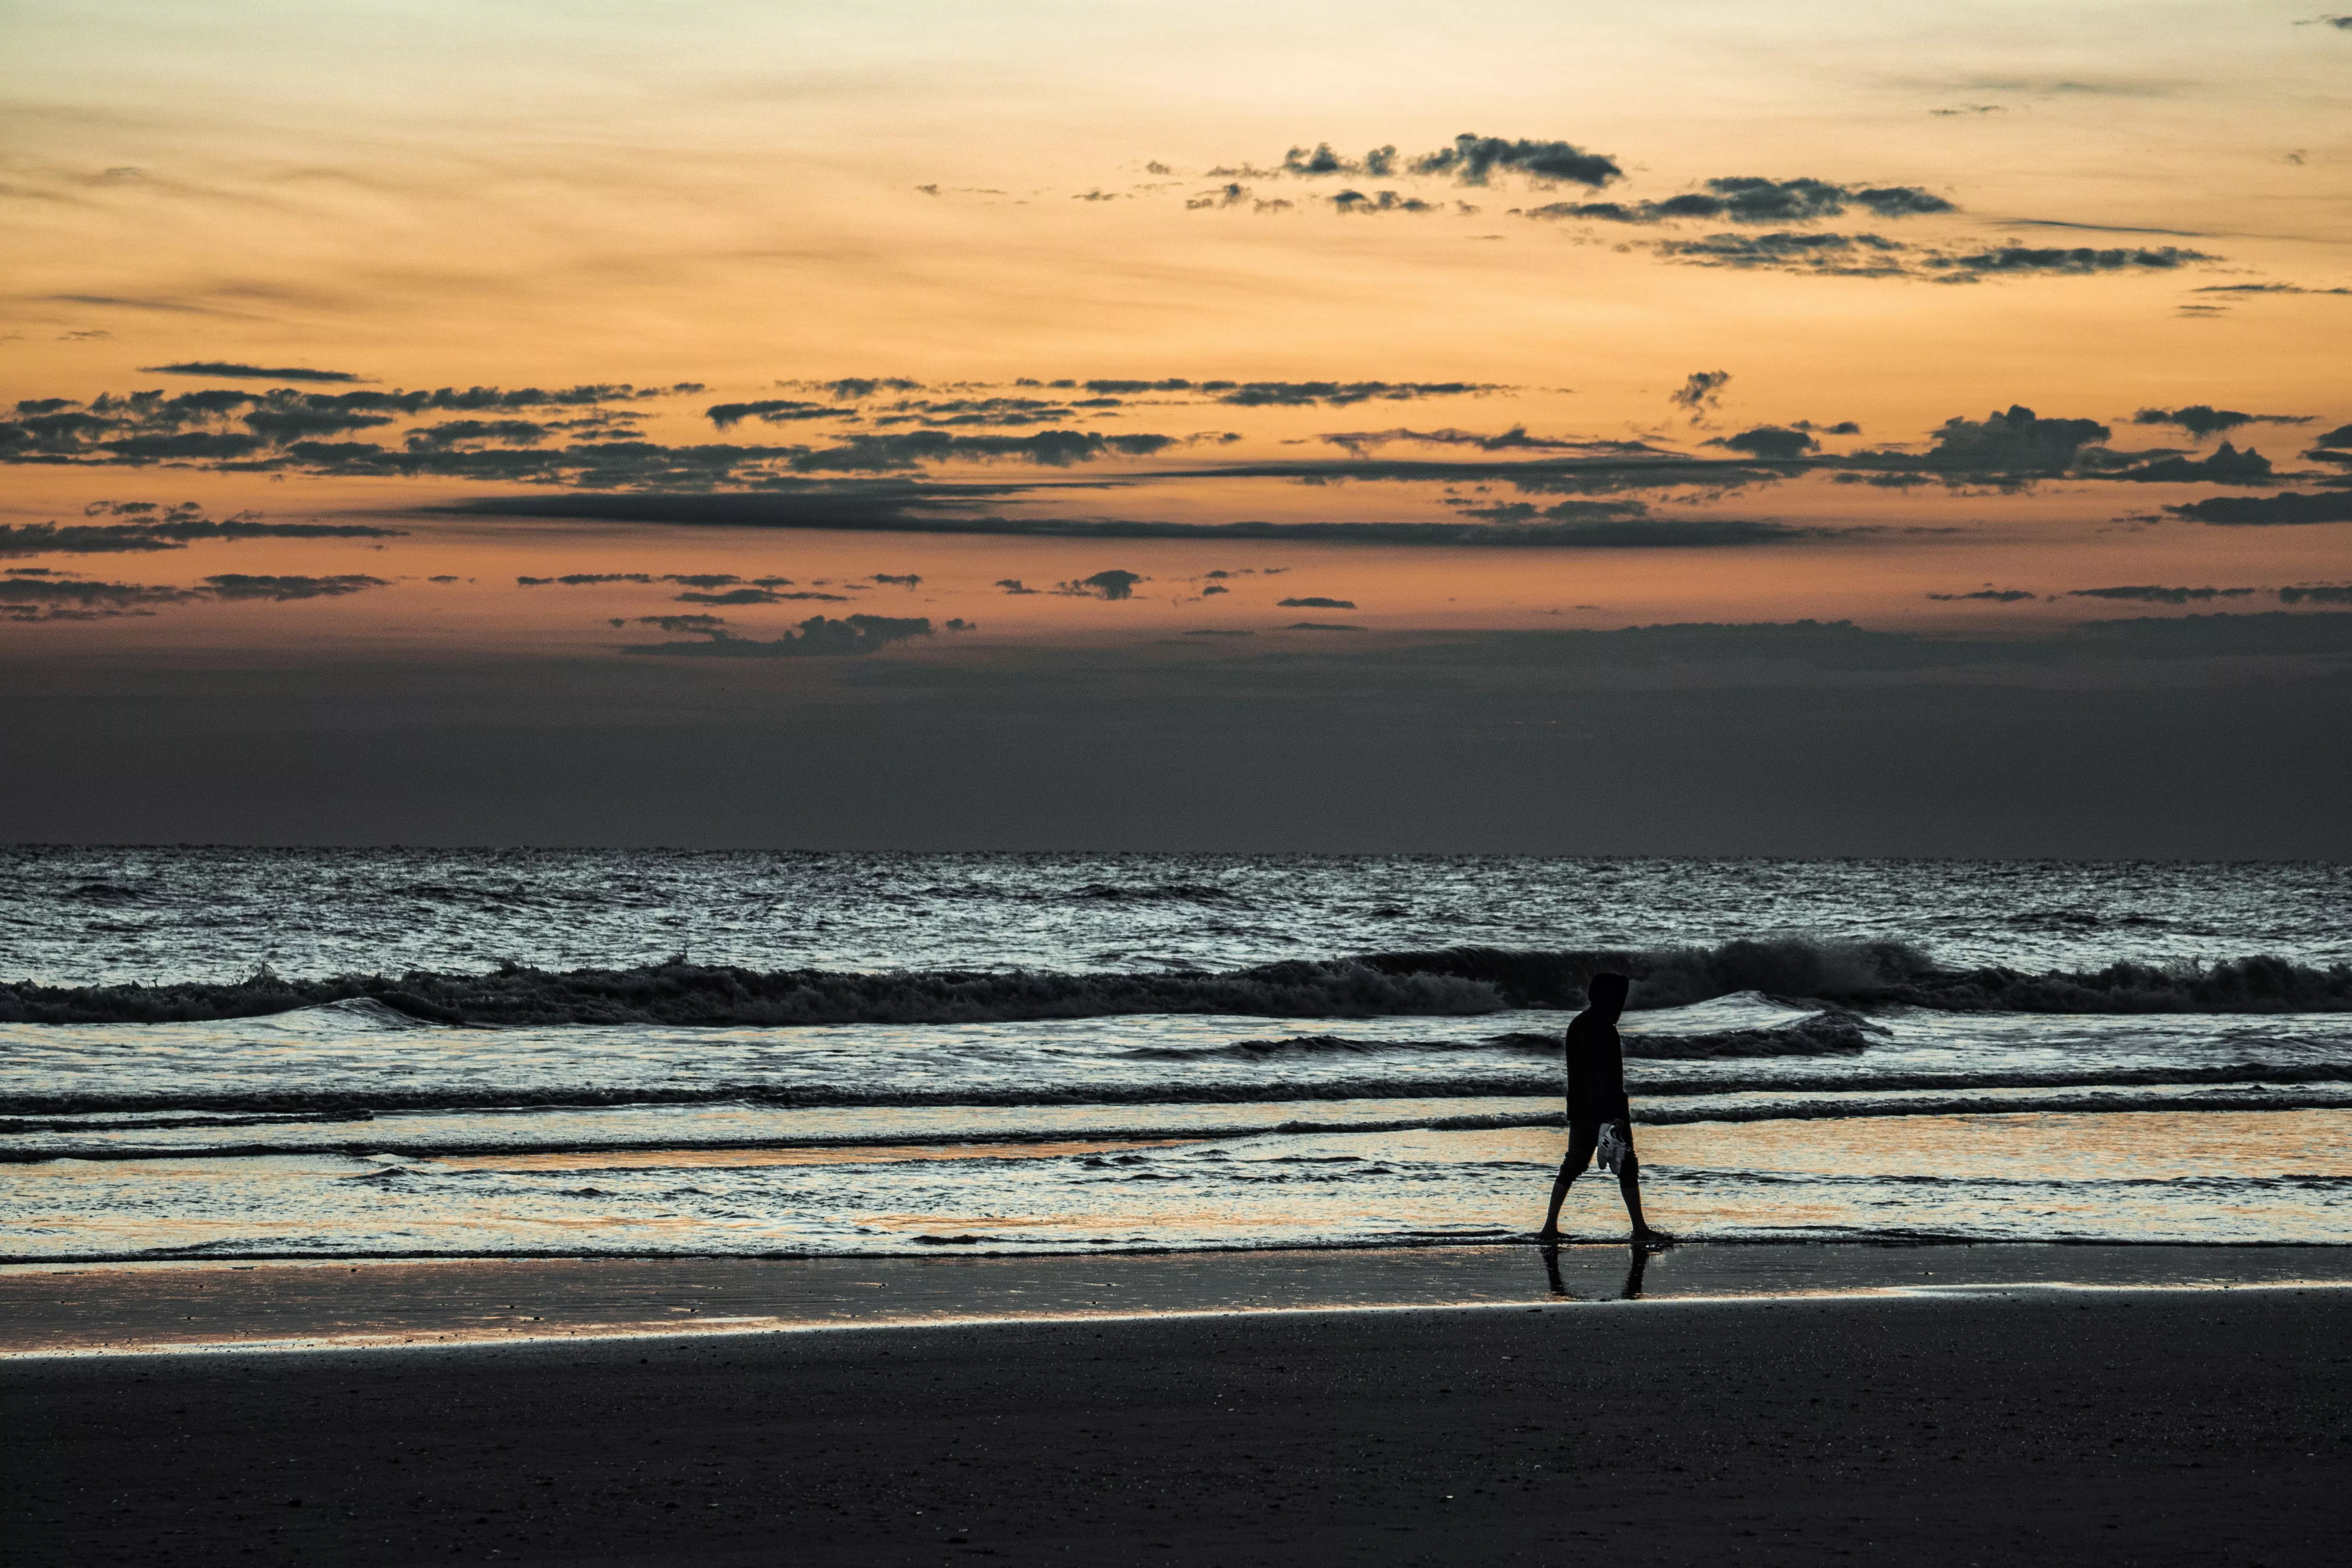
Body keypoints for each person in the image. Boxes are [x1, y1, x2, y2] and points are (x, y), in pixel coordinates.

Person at [1537, 971, 1669, 1247]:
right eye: (1619, 1000)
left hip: (1581, 1107)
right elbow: (1609, 1077)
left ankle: (1550, 1226)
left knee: (1574, 1164)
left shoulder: (1579, 1024)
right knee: (1627, 1166)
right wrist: (1618, 1115)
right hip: (1605, 1109)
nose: (1621, 1007)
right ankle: (1639, 1228)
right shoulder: (1605, 1030)